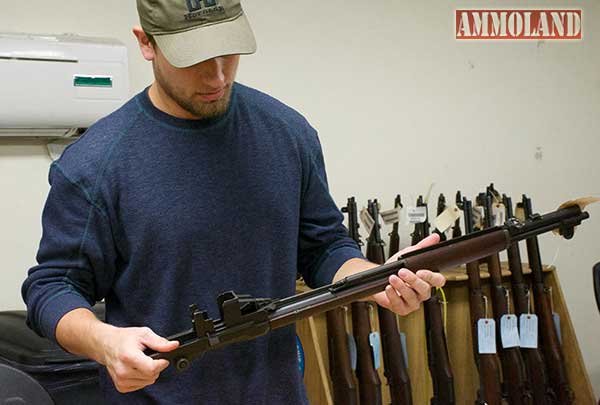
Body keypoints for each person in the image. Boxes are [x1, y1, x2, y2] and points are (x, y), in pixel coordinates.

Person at [21, 0, 445, 403]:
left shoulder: (288, 134)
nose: (217, 76)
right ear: (147, 42)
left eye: (228, 53)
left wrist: (378, 279)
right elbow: (53, 286)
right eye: (193, 58)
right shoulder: (96, 164)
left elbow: (324, 247)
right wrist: (104, 342)